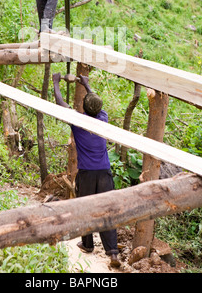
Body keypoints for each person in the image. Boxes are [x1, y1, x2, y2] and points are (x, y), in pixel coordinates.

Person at [52, 72, 121, 269]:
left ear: (83, 106)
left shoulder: (78, 122)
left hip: (87, 173)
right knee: (107, 210)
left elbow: (60, 104)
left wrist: (56, 82)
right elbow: (96, 104)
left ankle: (88, 244)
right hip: (104, 172)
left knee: (86, 208)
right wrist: (87, 84)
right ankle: (113, 252)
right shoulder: (103, 118)